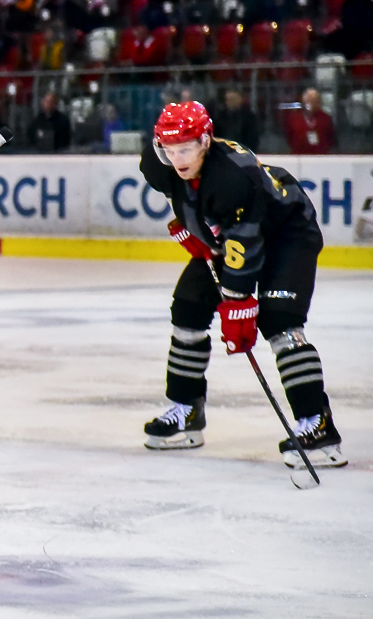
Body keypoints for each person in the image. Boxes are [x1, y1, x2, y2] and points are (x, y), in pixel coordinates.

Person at [139, 101, 344, 469]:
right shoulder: (158, 163)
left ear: (206, 140)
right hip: (231, 239)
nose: (177, 158)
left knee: (280, 322)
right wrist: (194, 228)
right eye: (169, 150)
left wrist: (238, 301)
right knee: (187, 308)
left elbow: (245, 241)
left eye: (185, 149)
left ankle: (318, 424)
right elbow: (184, 197)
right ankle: (186, 410)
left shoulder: (234, 175)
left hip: (286, 235)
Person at [283, 88, 337, 154]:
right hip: (299, 156)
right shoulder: (294, 119)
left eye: (315, 101)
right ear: (304, 102)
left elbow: (331, 138)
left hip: (321, 156)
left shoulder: (326, 118)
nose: (312, 104)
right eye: (309, 101)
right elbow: (289, 137)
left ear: (319, 103)